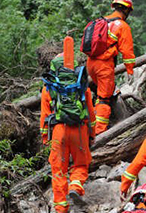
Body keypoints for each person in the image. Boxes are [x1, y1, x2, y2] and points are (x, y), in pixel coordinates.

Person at [40, 54, 96, 213]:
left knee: (58, 170)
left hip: (58, 132)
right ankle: (76, 185)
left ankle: (61, 208)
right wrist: (92, 135)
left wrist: (46, 140)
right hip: (79, 130)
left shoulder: (48, 88)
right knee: (80, 163)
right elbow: (90, 114)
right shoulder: (81, 86)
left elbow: (44, 118)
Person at [86, 0, 136, 134]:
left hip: (91, 64)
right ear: (126, 10)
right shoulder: (122, 26)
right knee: (104, 99)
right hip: (104, 65)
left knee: (106, 92)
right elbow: (127, 53)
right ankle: (99, 132)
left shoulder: (100, 21)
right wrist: (130, 71)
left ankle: (95, 123)